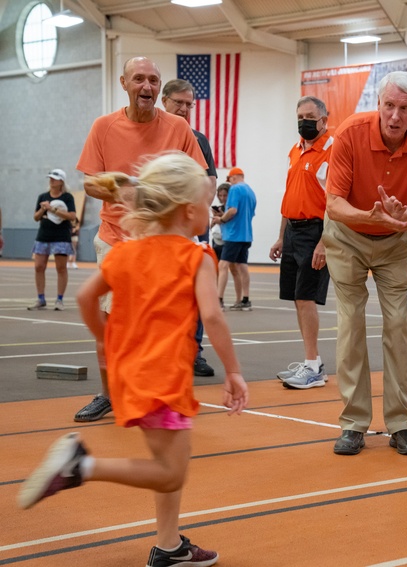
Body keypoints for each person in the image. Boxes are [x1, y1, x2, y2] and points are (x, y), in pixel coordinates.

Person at [18, 152, 248, 567]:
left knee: (171, 458)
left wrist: (106, 340)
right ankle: (81, 466)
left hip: (130, 376)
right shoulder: (197, 257)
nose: (211, 211)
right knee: (171, 472)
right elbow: (212, 316)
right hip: (164, 378)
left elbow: (87, 297)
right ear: (187, 210)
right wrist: (233, 371)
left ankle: (169, 545)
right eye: (207, 203)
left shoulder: (125, 252)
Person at [74, 56, 209, 423]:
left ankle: (156, 393)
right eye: (139, 79)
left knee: (161, 318)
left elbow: (200, 178)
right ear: (124, 83)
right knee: (112, 317)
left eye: (152, 80)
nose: (146, 86)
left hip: (163, 242)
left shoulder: (178, 127)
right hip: (115, 237)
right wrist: (121, 189)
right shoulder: (103, 127)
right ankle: (108, 393)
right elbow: (87, 182)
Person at [323, 70, 407, 456]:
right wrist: (368, 217)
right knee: (351, 325)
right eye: (389, 105)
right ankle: (354, 423)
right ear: (378, 103)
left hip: (395, 241)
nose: (395, 116)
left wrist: (403, 213)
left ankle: (401, 424)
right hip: (347, 237)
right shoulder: (350, 134)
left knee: (397, 327)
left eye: (404, 108)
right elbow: (334, 204)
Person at [269, 96, 333, 389]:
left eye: (310, 116)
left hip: (316, 231)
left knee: (306, 298)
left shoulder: (332, 151)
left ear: (324, 120)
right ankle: (312, 362)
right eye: (300, 117)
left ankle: (313, 367)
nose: (304, 122)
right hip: (293, 231)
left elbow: (335, 203)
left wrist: (325, 242)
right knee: (297, 298)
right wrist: (282, 236)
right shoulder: (294, 151)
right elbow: (289, 196)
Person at [161, 78, 219, 378]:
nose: (184, 109)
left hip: (191, 226)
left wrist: (194, 217)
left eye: (189, 104)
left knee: (196, 291)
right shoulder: (152, 135)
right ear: (163, 101)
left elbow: (210, 181)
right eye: (178, 103)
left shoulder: (199, 139)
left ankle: (193, 352)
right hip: (158, 228)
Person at [27, 169, 77, 311]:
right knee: (39, 267)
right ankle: (40, 299)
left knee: (61, 268)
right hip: (43, 236)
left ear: (61, 181)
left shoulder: (67, 197)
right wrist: (43, 210)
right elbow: (36, 217)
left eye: (54, 179)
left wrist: (52, 209)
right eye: (50, 178)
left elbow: (72, 216)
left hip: (61, 236)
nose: (51, 181)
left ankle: (59, 300)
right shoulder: (43, 196)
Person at [213, 167, 256, 311]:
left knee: (223, 266)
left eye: (230, 179)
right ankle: (244, 299)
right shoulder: (251, 192)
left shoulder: (235, 190)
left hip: (233, 234)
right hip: (246, 234)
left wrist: (221, 220)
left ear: (234, 177)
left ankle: (218, 299)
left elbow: (232, 210)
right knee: (241, 266)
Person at [210, 183, 230, 259]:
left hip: (228, 239)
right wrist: (215, 217)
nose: (222, 198)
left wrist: (223, 216)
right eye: (220, 195)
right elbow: (211, 226)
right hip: (217, 239)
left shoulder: (232, 209)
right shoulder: (219, 208)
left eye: (225, 195)